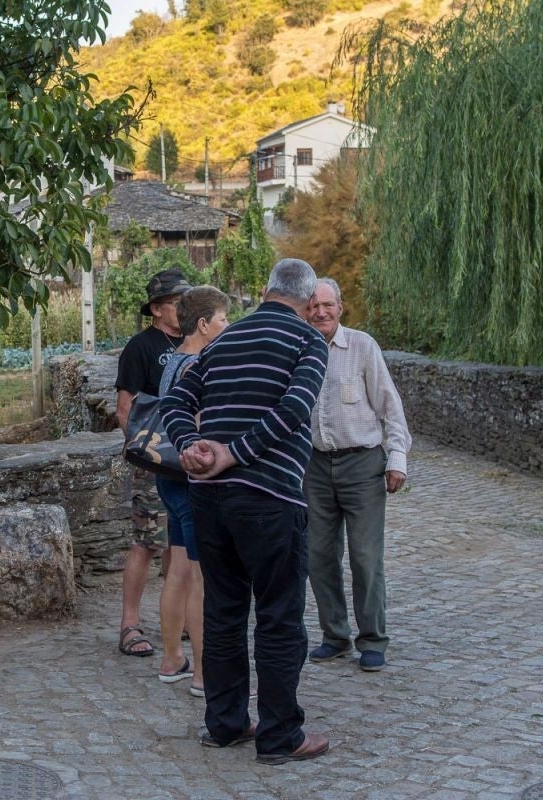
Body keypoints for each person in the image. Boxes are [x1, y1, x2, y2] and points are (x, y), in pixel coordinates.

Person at [160, 258, 330, 766]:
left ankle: (226, 723)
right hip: (270, 497)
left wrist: (189, 444)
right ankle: (280, 736)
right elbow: (295, 409)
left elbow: (173, 401)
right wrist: (236, 451)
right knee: (279, 618)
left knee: (224, 612)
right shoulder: (308, 341)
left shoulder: (220, 342)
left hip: (210, 499)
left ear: (265, 291)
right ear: (305, 300)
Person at [303, 277, 411, 672]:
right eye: (313, 306)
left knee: (365, 556)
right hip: (314, 464)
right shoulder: (300, 348)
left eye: (327, 305)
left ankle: (373, 639)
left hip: (363, 463)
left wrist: (396, 458)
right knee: (318, 555)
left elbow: (390, 407)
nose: (320, 312)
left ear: (341, 307)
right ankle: (335, 636)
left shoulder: (362, 346)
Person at [154, 286, 230, 697]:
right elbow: (198, 423)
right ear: (203, 324)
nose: (227, 327)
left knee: (179, 569)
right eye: (222, 320)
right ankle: (204, 673)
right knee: (202, 577)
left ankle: (172, 659)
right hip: (190, 478)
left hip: (166, 476)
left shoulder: (171, 360)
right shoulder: (197, 363)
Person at [116, 268, 191, 658]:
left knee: (182, 546)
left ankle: (177, 623)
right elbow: (125, 409)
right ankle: (130, 624)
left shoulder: (199, 343)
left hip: (192, 461)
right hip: (155, 460)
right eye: (177, 302)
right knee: (147, 543)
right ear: (157, 309)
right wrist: (145, 454)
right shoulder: (141, 347)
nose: (183, 308)